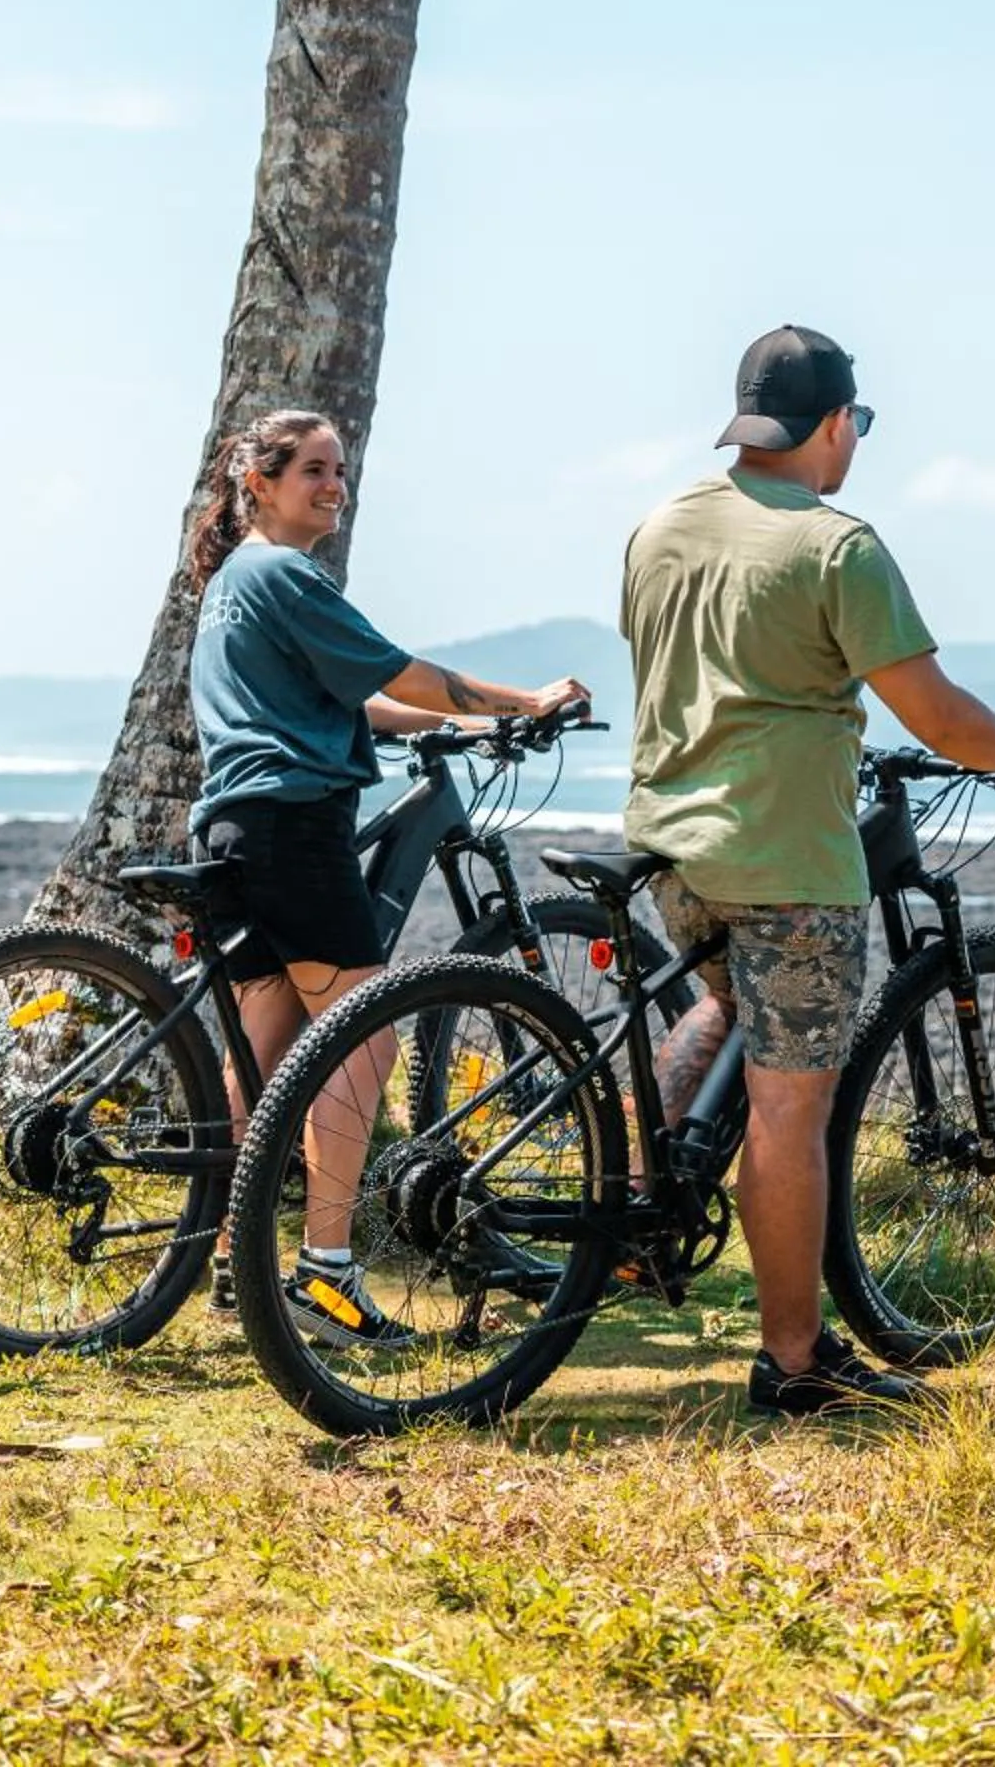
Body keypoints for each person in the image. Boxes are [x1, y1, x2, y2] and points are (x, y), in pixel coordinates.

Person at [620, 324, 995, 1416]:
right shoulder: (839, 546)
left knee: (718, 1002)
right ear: (833, 423)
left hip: (669, 845)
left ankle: (646, 1213)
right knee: (795, 1107)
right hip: (786, 856)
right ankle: (794, 1361)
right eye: (859, 426)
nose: (857, 446)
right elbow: (936, 714)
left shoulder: (660, 527)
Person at [186, 407, 588, 1345]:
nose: (335, 485)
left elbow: (354, 702)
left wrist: (474, 726)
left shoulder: (236, 584)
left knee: (269, 1057)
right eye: (315, 469)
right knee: (365, 1040)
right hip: (293, 829)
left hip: (235, 828)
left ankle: (227, 1264)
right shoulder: (287, 573)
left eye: (341, 470)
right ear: (261, 483)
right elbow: (402, 674)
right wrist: (527, 700)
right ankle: (325, 1275)